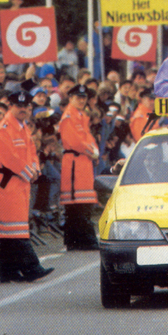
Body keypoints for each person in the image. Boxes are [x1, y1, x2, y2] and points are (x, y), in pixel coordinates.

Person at [0, 91, 54, 283]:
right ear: (11, 106)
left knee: (11, 230)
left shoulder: (23, 127)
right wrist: (29, 173)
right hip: (8, 183)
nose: (23, 109)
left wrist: (34, 170)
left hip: (20, 183)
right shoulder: (3, 129)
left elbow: (32, 152)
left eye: (26, 107)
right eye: (19, 106)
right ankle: (32, 267)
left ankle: (7, 272)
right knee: (16, 230)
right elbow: (8, 158)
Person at [59, 84, 100, 250]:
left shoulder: (81, 115)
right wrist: (92, 151)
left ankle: (76, 240)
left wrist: (93, 149)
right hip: (75, 162)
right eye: (78, 97)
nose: (82, 100)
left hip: (83, 162)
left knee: (81, 203)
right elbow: (75, 141)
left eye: (84, 98)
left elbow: (87, 137)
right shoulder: (69, 116)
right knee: (77, 204)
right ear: (70, 98)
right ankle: (84, 239)